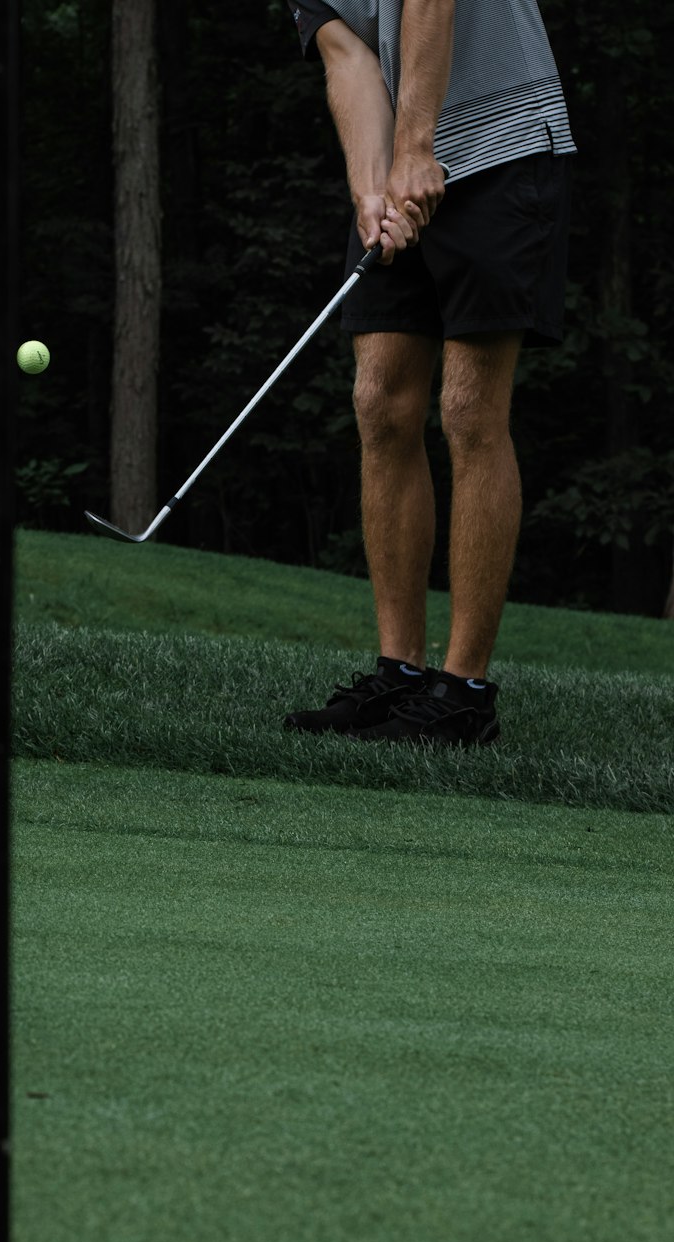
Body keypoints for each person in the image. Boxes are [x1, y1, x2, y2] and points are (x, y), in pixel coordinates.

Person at [282, 0, 575, 745]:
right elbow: (347, 57)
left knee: (470, 412)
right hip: (402, 161)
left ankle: (464, 691)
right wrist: (372, 188)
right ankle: (400, 673)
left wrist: (416, 145)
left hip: (506, 146)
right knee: (380, 401)